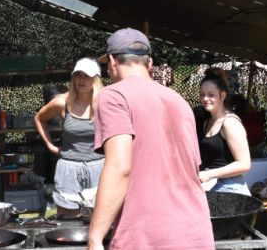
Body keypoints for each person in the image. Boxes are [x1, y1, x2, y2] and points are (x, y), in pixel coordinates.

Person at [88, 28, 214, 250]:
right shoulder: (179, 101)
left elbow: (119, 167)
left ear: (112, 62)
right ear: (150, 64)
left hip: (147, 236)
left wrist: (95, 237)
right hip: (196, 232)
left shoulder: (114, 95)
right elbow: (192, 167)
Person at [35, 57, 104, 215]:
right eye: (78, 75)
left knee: (100, 218)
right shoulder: (62, 103)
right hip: (68, 170)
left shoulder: (105, 102)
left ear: (96, 79)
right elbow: (39, 118)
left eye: (86, 75)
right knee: (68, 220)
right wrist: (50, 146)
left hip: (99, 168)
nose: (81, 79)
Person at [198, 67, 251, 194]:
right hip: (211, 187)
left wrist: (210, 174)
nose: (205, 99)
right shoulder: (207, 122)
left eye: (211, 95)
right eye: (202, 94)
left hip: (231, 189)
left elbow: (244, 164)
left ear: (222, 95)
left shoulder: (230, 123)